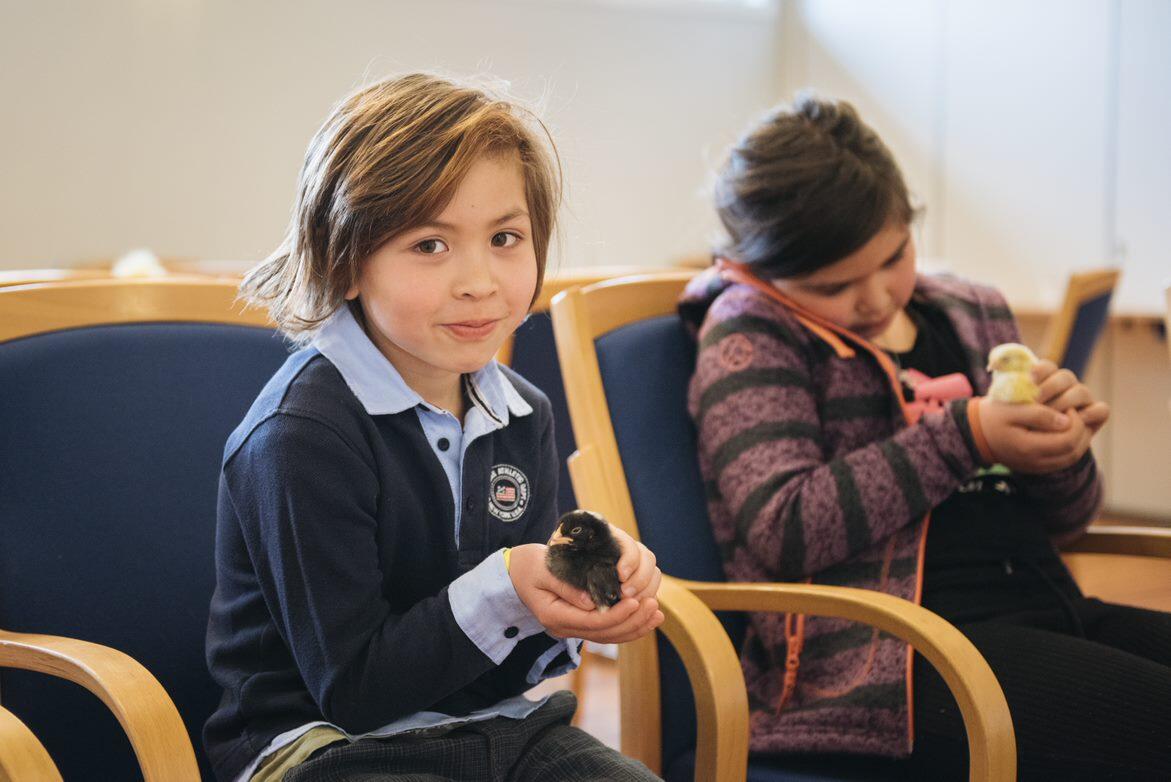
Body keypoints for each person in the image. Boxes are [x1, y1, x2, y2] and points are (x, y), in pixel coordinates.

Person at [678, 94, 1171, 780]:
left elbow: (1068, 520)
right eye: (833, 284)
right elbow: (784, 525)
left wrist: (1058, 454)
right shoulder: (751, 334)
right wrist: (967, 435)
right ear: (760, 270)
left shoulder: (969, 311)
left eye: (893, 257)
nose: (876, 298)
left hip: (1043, 605)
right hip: (890, 665)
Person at [204, 73, 664, 782]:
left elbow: (502, 666)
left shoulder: (522, 413)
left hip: (491, 729)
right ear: (345, 261)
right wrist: (509, 587)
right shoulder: (302, 434)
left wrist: (578, 595)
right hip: (324, 747)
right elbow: (353, 693)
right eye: (429, 245)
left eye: (505, 237)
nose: (478, 280)